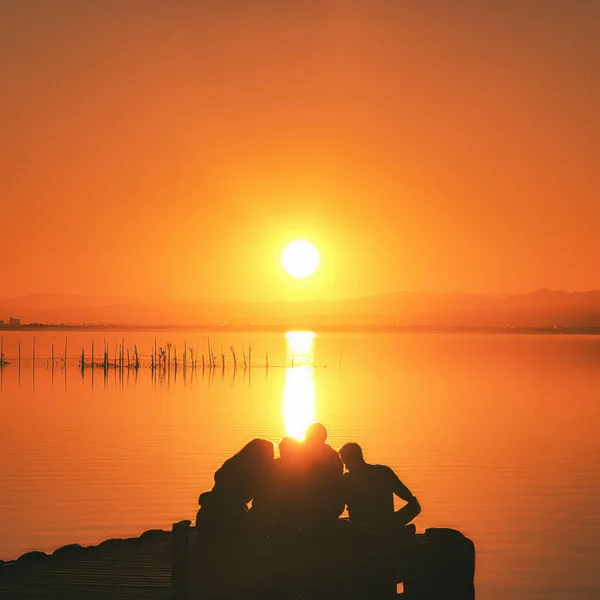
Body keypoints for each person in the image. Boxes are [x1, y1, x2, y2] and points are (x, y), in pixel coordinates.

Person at [195, 438, 275, 540]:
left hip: (205, 516)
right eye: (269, 456)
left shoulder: (232, 464)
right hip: (226, 520)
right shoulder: (252, 475)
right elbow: (260, 503)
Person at [339, 442, 421, 532]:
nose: (346, 467)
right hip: (386, 523)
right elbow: (408, 496)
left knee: (339, 522)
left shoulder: (346, 479)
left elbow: (339, 506)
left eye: (346, 462)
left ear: (352, 459)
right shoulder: (384, 472)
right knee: (415, 505)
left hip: (361, 525)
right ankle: (394, 529)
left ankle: (387, 530)